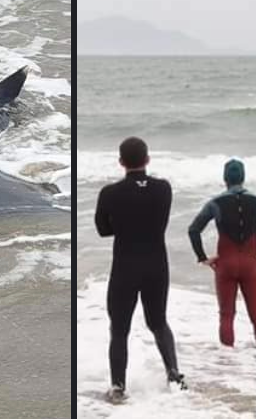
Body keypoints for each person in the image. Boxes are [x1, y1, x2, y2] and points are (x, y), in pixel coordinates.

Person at [95, 136, 186, 404]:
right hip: (157, 264)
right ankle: (174, 374)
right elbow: (160, 220)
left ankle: (118, 386)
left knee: (120, 328)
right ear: (147, 159)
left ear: (121, 162)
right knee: (158, 322)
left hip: (125, 266)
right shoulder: (163, 189)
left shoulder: (110, 193)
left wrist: (122, 227)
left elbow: (102, 229)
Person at [187, 158, 256, 348]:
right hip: (251, 264)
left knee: (226, 315)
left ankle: (226, 364)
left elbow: (193, 230)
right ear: (243, 177)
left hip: (225, 264)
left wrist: (203, 258)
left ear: (225, 179)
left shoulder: (214, 203)